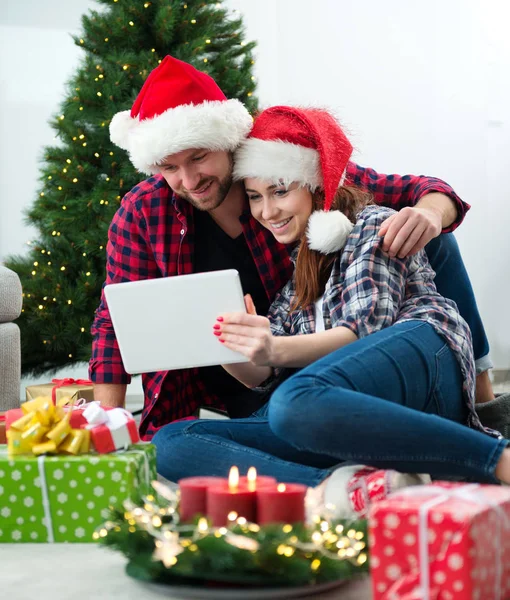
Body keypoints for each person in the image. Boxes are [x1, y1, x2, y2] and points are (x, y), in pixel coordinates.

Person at [90, 55, 504, 441]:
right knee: (178, 443)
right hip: (237, 384)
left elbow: (417, 191)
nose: (189, 179)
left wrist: (431, 213)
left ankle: (484, 405)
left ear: (228, 142)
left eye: (199, 157)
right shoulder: (143, 212)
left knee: (431, 236)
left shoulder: (278, 162)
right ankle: (338, 476)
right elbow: (114, 321)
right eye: (169, 168)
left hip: (320, 364)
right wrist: (105, 429)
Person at [152, 106, 510, 500]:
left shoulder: (372, 225)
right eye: (255, 197)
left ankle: (496, 459)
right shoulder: (295, 276)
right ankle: (344, 491)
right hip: (347, 409)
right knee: (172, 440)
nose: (267, 212)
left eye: (280, 190)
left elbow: (364, 330)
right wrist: (228, 343)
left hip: (424, 359)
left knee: (294, 402)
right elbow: (262, 375)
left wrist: (274, 347)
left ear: (317, 184)